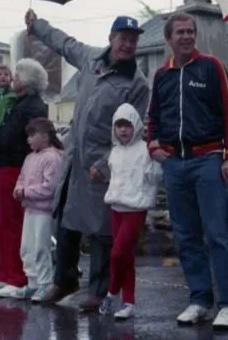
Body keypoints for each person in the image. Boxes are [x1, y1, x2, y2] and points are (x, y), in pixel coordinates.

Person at [24, 10, 150, 313]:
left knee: (102, 229)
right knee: (64, 220)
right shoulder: (92, 58)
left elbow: (136, 131)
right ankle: (63, 280)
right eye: (123, 38)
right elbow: (64, 43)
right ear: (111, 38)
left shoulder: (137, 83)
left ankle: (98, 289)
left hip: (102, 165)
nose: (127, 45)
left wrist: (105, 165)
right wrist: (37, 26)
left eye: (132, 40)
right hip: (73, 159)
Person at [146, 12, 228, 331]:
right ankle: (200, 299)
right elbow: (153, 116)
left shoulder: (211, 66)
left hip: (208, 160)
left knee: (217, 235)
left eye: (191, 31)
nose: (187, 36)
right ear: (169, 38)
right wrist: (152, 146)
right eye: (180, 32)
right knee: (186, 236)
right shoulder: (162, 75)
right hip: (175, 164)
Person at [0, 58, 49, 297]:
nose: (13, 78)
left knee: (12, 223)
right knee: (3, 222)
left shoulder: (29, 106)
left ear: (27, 81)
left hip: (14, 166)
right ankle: (5, 274)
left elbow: (8, 136)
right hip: (6, 166)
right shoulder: (20, 103)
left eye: (18, 75)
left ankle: (17, 276)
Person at [99, 103, 160, 321]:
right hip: (116, 207)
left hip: (136, 208)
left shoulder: (146, 150)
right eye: (119, 126)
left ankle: (111, 292)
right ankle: (128, 301)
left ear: (136, 126)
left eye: (127, 125)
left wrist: (156, 159)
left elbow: (154, 177)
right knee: (125, 257)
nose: (123, 130)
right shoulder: (115, 152)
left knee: (117, 253)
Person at [0, 118, 64, 300]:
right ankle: (33, 283)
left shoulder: (53, 158)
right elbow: (22, 178)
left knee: (41, 248)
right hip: (30, 209)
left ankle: (45, 283)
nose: (28, 139)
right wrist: (18, 190)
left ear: (44, 137)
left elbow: (50, 187)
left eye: (32, 135)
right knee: (27, 247)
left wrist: (25, 192)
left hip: (43, 211)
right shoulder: (30, 158)